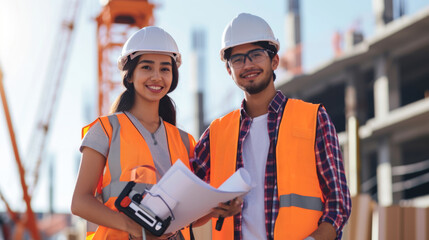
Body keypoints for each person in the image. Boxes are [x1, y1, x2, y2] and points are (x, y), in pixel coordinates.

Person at [190, 13, 352, 240]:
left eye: (256, 55)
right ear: (229, 70)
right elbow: (187, 204)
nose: (247, 64)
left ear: (274, 61)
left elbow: (339, 204)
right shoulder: (215, 134)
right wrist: (212, 207)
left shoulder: (314, 118)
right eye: (237, 59)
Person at [71, 26, 198, 240]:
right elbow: (80, 202)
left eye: (165, 69)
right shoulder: (106, 130)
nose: (156, 76)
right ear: (130, 75)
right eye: (147, 67)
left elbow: (191, 213)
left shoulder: (185, 141)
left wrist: (218, 208)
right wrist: (134, 227)